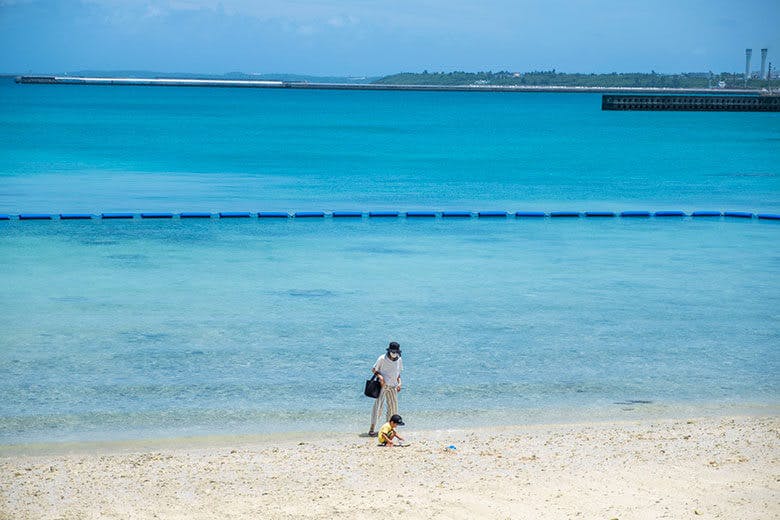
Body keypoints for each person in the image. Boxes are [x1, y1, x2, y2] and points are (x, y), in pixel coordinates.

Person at [368, 341, 403, 437]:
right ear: (389, 350)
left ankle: (388, 429)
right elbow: (374, 369)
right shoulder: (382, 358)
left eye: (396, 352)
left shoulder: (399, 359)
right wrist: (380, 377)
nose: (394, 354)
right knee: (378, 407)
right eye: (392, 351)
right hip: (382, 386)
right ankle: (372, 429)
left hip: (393, 386)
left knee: (393, 408)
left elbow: (398, 373)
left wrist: (400, 382)